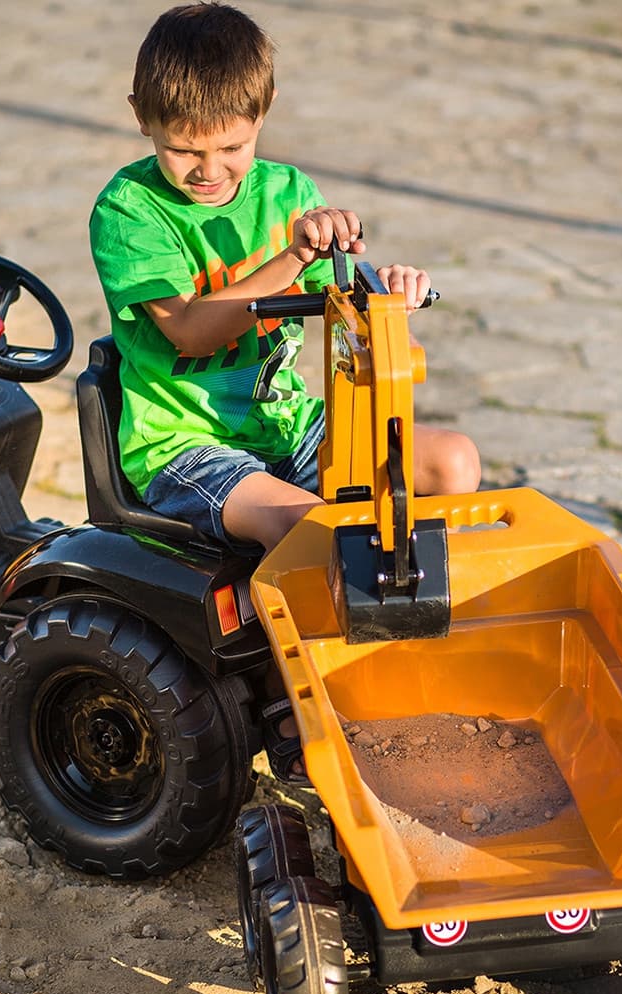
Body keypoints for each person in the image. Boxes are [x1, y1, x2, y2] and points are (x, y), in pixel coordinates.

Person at [90, 1, 480, 780]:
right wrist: (291, 262)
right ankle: (319, 714)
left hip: (284, 423)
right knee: (307, 526)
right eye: (184, 151)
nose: (209, 171)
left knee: (452, 465)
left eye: (232, 147)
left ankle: (434, 646)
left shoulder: (287, 192)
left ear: (262, 116)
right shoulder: (128, 210)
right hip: (183, 446)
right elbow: (193, 332)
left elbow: (343, 291)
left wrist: (387, 285)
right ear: (142, 121)